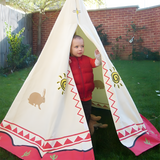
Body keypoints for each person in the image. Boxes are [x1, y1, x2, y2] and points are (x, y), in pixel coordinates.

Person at [69, 35, 101, 125]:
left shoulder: (87, 59)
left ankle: (87, 125)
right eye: (76, 47)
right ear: (70, 48)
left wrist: (98, 56)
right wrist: (65, 63)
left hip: (87, 95)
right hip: (75, 96)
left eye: (82, 46)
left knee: (86, 113)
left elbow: (97, 63)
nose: (80, 49)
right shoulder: (68, 61)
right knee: (76, 114)